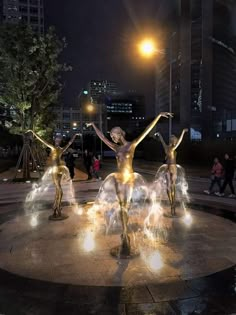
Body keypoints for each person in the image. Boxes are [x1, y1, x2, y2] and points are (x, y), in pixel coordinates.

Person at [87, 111, 172, 256]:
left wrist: (157, 117)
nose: (112, 138)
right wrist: (94, 125)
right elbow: (102, 137)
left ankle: (125, 234)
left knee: (125, 206)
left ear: (120, 134)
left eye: (114, 135)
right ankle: (124, 234)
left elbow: (146, 131)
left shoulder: (132, 145)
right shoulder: (116, 148)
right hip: (118, 179)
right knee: (121, 207)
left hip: (129, 179)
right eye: (112, 136)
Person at [26, 130, 80, 218]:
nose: (58, 141)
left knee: (57, 191)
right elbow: (43, 141)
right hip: (55, 171)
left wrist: (75, 135)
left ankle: (56, 208)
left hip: (60, 170)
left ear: (60, 141)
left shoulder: (61, 149)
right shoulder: (52, 147)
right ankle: (57, 207)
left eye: (59, 140)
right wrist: (34, 133)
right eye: (56, 140)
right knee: (60, 191)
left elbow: (69, 143)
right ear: (55, 141)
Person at [156, 129, 188, 216]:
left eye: (173, 138)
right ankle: (171, 204)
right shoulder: (167, 147)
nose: (171, 139)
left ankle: (173, 205)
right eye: (171, 138)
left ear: (174, 141)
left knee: (172, 186)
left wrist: (182, 132)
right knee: (168, 187)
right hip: (168, 168)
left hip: (173, 168)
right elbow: (162, 141)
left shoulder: (173, 148)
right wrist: (160, 135)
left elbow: (180, 141)